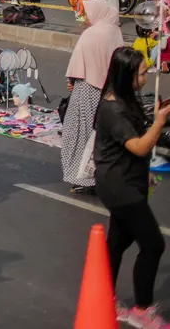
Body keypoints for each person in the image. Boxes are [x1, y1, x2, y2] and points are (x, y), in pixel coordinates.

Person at [93, 47, 170, 327]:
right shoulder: (113, 108)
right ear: (126, 76)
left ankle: (105, 298)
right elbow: (138, 146)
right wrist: (160, 123)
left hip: (127, 181)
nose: (146, 76)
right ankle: (142, 309)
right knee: (153, 244)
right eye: (141, 72)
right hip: (119, 186)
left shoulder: (126, 99)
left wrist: (146, 171)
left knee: (117, 242)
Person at [61, 0, 126, 194]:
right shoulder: (116, 32)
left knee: (80, 131)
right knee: (104, 134)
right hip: (110, 91)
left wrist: (71, 80)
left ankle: (82, 177)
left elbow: (78, 64)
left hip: (87, 88)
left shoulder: (92, 34)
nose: (86, 17)